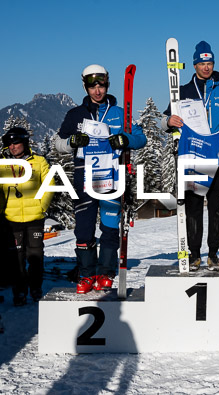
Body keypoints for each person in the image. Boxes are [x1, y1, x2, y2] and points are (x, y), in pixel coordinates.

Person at [56, 64, 147, 294]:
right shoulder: (75, 115)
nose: (98, 91)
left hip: (111, 181)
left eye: (102, 85)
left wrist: (125, 140)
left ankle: (106, 272)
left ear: (107, 85)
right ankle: (86, 274)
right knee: (84, 231)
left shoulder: (119, 113)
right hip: (84, 181)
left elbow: (141, 138)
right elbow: (57, 144)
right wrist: (70, 143)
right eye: (92, 86)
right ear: (85, 86)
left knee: (109, 228)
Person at [162, 41, 219, 272]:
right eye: (202, 63)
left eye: (210, 63)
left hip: (218, 156)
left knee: (216, 207)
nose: (206, 67)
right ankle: (194, 254)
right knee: (194, 206)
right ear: (195, 65)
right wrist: (168, 122)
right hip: (193, 157)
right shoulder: (182, 92)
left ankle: (213, 254)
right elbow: (164, 120)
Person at [0, 127, 54, 305]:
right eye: (9, 143)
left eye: (16, 142)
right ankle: (19, 291)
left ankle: (35, 288)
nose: (12, 146)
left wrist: (42, 206)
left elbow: (49, 183)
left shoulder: (39, 161)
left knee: (35, 256)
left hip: (35, 216)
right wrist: (0, 211)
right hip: (12, 219)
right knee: (16, 259)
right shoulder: (0, 164)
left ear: (25, 142)